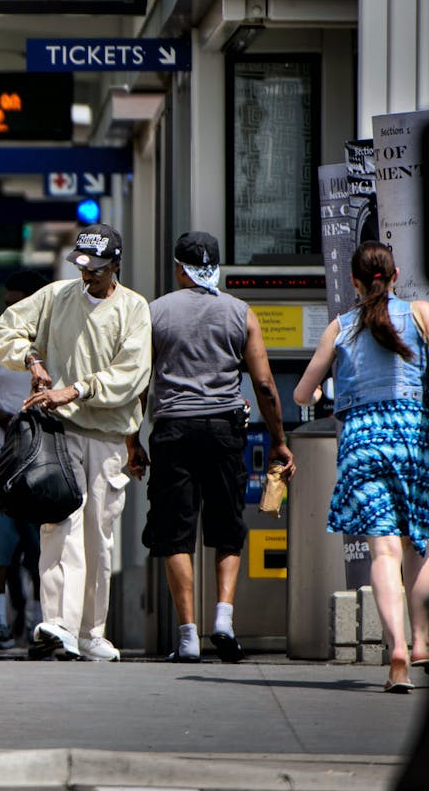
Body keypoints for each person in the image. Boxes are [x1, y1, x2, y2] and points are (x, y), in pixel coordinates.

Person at [130, 231, 296, 663]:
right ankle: (223, 618)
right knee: (227, 528)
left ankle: (187, 637)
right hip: (225, 429)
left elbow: (138, 384)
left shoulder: (155, 312)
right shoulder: (241, 312)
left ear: (178, 268)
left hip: (172, 431)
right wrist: (279, 441)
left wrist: (133, 441)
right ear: (216, 267)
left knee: (175, 533)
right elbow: (263, 384)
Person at [0, 223, 152, 662]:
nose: (88, 276)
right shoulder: (57, 295)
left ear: (116, 265)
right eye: (81, 266)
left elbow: (132, 375)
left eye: (97, 269)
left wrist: (74, 389)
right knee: (59, 525)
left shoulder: (135, 309)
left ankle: (91, 632)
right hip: (59, 433)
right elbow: (3, 331)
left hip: (108, 435)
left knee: (99, 535)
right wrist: (32, 358)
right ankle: (58, 623)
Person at [293, 241, 429, 693]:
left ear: (353, 281)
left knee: (385, 553)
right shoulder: (421, 314)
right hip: (413, 437)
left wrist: (316, 395)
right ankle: (423, 640)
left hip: (362, 444)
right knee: (419, 545)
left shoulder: (341, 327)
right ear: (396, 274)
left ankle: (396, 651)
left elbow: (302, 393)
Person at [0, 270, 50, 655]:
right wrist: (2, 417)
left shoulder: (55, 344)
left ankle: (37, 618)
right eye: (7, 302)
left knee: (41, 540)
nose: (10, 309)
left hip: (43, 456)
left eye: (18, 302)